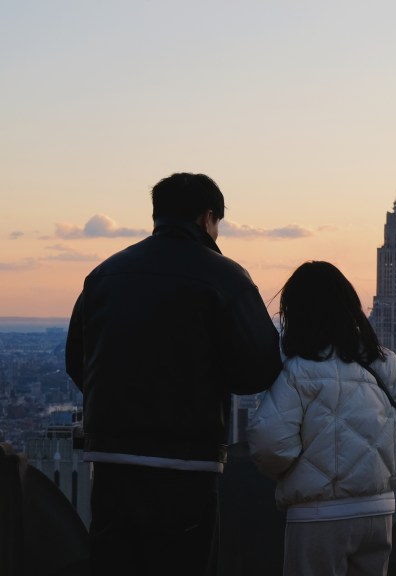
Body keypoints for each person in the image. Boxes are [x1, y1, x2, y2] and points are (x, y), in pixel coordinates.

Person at [65, 172, 283, 576]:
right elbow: (261, 367)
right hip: (185, 467)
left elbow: (78, 362)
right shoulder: (225, 276)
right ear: (207, 218)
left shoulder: (103, 275)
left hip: (110, 463)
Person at [247, 260, 396, 576]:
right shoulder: (381, 362)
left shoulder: (298, 372)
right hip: (378, 512)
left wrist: (300, 466)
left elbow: (269, 445)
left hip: (318, 516)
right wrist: (383, 448)